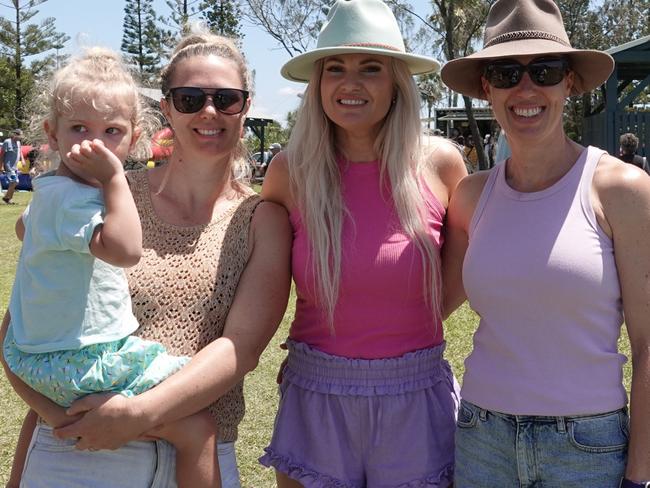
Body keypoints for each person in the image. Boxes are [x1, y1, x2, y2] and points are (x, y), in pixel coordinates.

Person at [1, 30, 291, 488]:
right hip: (74, 445)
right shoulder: (99, 195)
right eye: (190, 97)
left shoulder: (262, 220)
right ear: (167, 109)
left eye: (227, 98)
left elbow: (241, 348)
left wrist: (136, 414)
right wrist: (53, 422)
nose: (209, 111)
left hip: (194, 455)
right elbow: (27, 319)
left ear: (245, 106)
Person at [440, 0, 650, 485]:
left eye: (546, 70)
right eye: (507, 72)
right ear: (487, 88)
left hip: (586, 448)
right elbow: (429, 308)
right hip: (480, 437)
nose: (526, 88)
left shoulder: (619, 190)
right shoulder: (471, 196)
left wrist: (640, 475)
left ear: (569, 82)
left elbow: (647, 344)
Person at [259, 0, 466, 486]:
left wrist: (395, 323)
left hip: (416, 396)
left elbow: (454, 283)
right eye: (335, 69)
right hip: (316, 396)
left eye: (370, 68)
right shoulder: (290, 171)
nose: (350, 83)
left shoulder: (441, 164)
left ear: (397, 82)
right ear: (318, 84)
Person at [2, 129, 26, 204]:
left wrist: (22, 159)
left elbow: (20, 151)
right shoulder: (7, 142)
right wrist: (1, 166)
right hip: (8, 166)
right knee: (14, 181)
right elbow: (2, 154)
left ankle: (8, 198)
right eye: (20, 136)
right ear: (15, 135)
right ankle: (7, 198)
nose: (21, 138)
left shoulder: (18, 143)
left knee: (15, 182)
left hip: (15, 167)